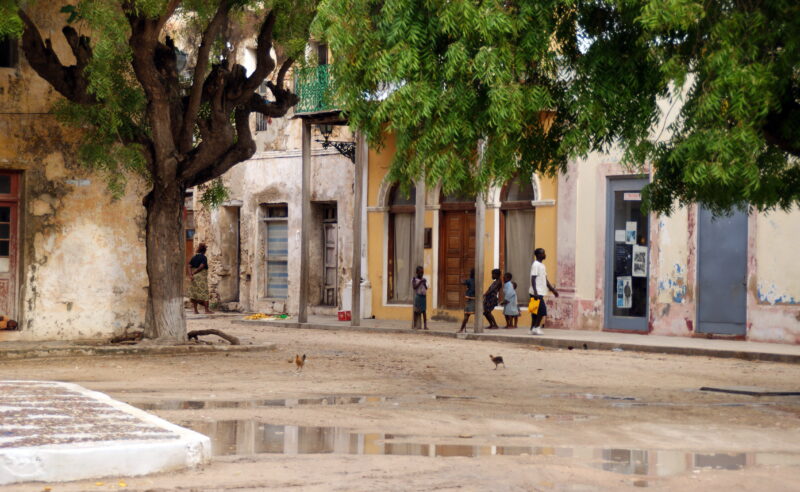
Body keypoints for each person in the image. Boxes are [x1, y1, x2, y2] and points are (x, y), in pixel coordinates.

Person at [530, 248, 558, 335]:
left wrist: (552, 290)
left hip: (540, 291)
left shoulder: (542, 265)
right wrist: (535, 291)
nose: (544, 255)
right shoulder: (535, 265)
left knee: (534, 312)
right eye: (542, 253)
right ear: (538, 255)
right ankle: (537, 327)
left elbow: (545, 280)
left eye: (544, 253)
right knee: (542, 311)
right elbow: (533, 278)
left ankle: (532, 328)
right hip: (536, 292)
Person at [187, 243, 213, 314]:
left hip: (194, 278)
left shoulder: (194, 257)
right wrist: (194, 272)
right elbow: (202, 266)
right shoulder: (204, 257)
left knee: (194, 294)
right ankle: (206, 310)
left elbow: (189, 265)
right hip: (201, 278)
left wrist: (190, 274)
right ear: (204, 251)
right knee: (205, 293)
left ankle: (195, 310)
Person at [457, 269, 476, 333]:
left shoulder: (470, 280)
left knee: (466, 316)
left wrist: (461, 276)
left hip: (470, 300)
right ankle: (464, 329)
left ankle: (461, 329)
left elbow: (462, 282)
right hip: (476, 300)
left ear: (471, 274)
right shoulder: (477, 281)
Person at [412, 266, 428, 330]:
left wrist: (424, 283)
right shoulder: (414, 279)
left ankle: (425, 326)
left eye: (422, 273)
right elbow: (414, 287)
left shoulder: (424, 279)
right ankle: (415, 325)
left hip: (423, 297)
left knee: (424, 311)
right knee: (416, 311)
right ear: (417, 273)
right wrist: (420, 282)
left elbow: (426, 288)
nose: (421, 274)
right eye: (420, 273)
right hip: (418, 296)